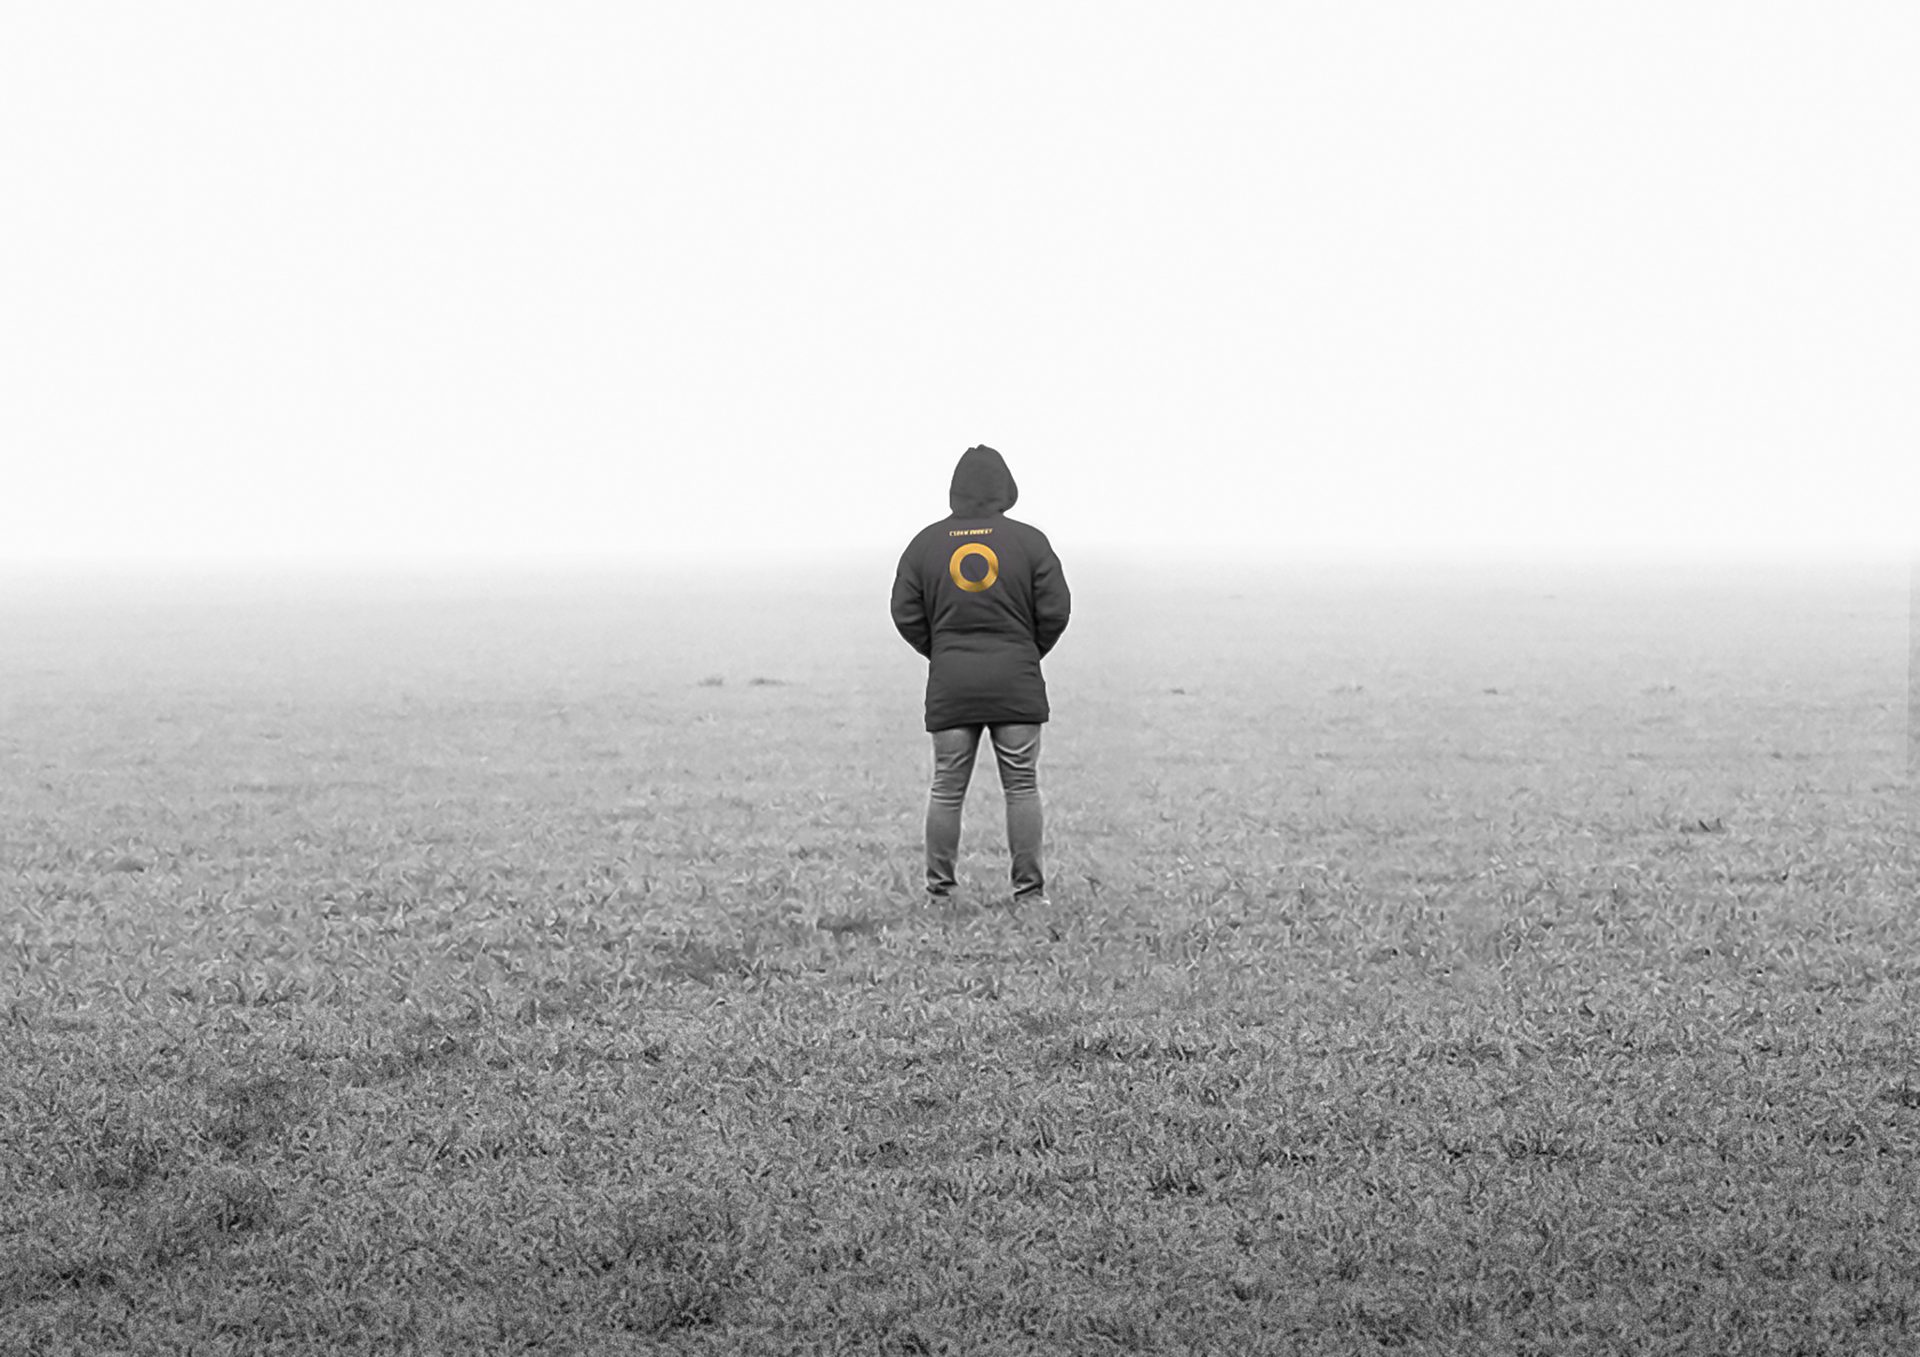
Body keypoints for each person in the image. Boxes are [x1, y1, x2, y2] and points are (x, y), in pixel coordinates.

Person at [890, 445, 1071, 907]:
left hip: (951, 681)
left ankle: (941, 893)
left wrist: (942, 652)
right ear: (1006, 489)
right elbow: (1056, 610)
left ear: (955, 491)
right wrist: (1027, 652)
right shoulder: (1030, 541)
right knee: (1022, 784)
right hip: (1016, 679)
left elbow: (904, 612)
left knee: (946, 786)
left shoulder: (925, 543)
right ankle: (1029, 894)